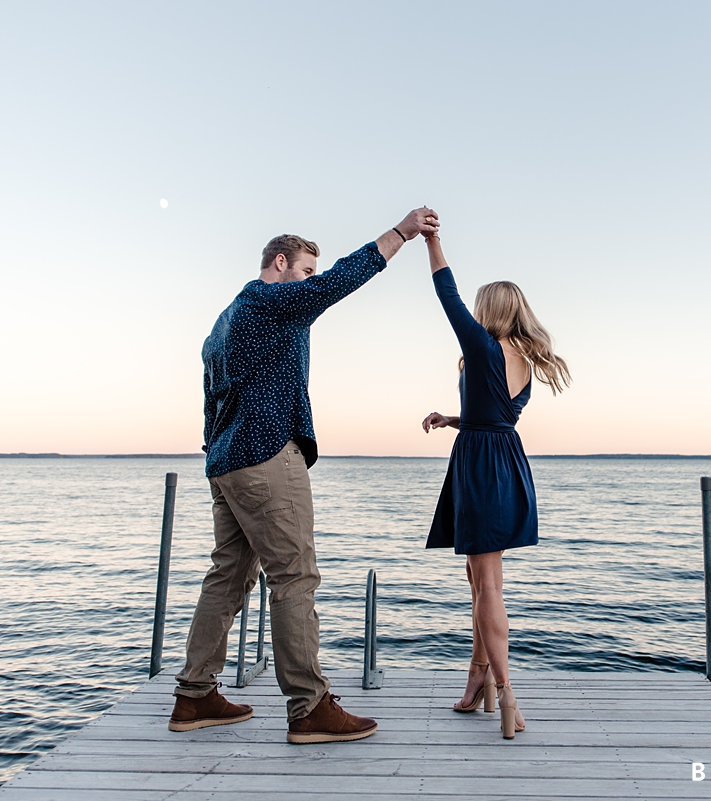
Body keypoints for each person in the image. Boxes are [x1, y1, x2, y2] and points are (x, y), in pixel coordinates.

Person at [172, 207, 440, 744]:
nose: (311, 283)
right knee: (294, 576)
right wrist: (403, 233)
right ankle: (309, 707)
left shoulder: (225, 320)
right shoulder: (271, 301)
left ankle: (194, 696)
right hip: (267, 457)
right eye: (305, 271)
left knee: (227, 578)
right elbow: (342, 280)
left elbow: (211, 398)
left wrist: (215, 456)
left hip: (226, 460)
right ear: (280, 264)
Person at [419, 230, 570, 740]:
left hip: (482, 465)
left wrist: (431, 242)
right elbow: (497, 415)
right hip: (504, 459)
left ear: (491, 308)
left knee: (485, 583)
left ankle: (507, 694)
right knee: (481, 578)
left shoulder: (482, 346)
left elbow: (445, 292)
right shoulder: (524, 358)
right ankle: (478, 680)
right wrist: (452, 418)